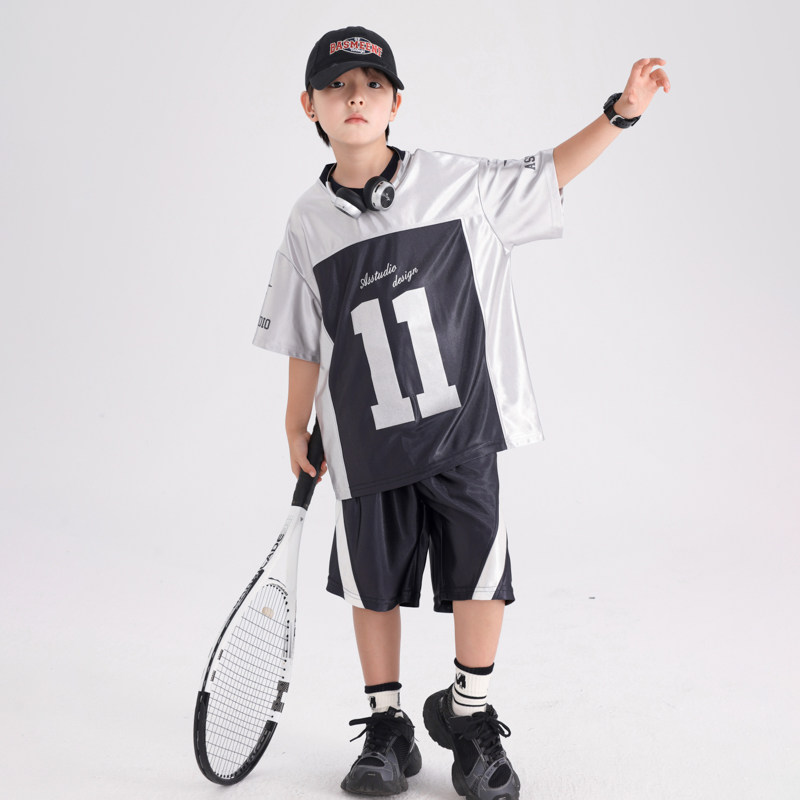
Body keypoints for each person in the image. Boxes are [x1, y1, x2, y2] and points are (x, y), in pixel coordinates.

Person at [253, 25, 669, 800]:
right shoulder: (307, 221)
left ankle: (468, 715)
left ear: (396, 103)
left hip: (461, 429)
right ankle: (388, 727)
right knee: (373, 587)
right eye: (337, 86)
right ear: (309, 105)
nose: (355, 98)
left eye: (372, 86)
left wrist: (620, 113)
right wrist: (293, 420)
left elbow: (549, 172)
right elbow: (304, 332)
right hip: (365, 442)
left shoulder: (455, 183)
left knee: (480, 576)